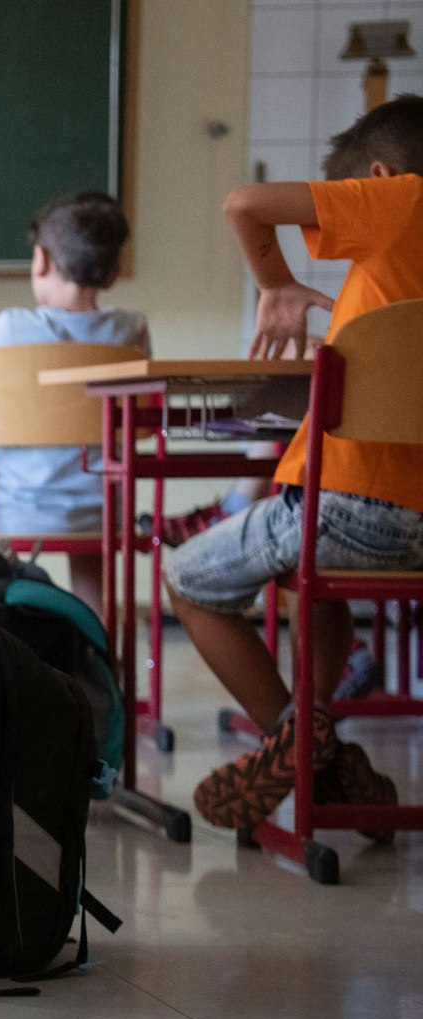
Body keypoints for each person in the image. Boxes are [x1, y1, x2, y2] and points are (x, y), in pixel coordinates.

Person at [167, 94, 423, 835]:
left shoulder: (401, 201)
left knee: (187, 579)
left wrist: (275, 283)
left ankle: (296, 735)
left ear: (378, 178)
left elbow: (245, 202)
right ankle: (318, 739)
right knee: (324, 593)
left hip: (347, 504)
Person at [0, 191, 147, 612]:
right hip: (101, 512)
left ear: (41, 260)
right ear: (112, 273)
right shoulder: (131, 332)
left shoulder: (8, 330)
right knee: (90, 533)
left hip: (9, 508)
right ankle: (98, 651)